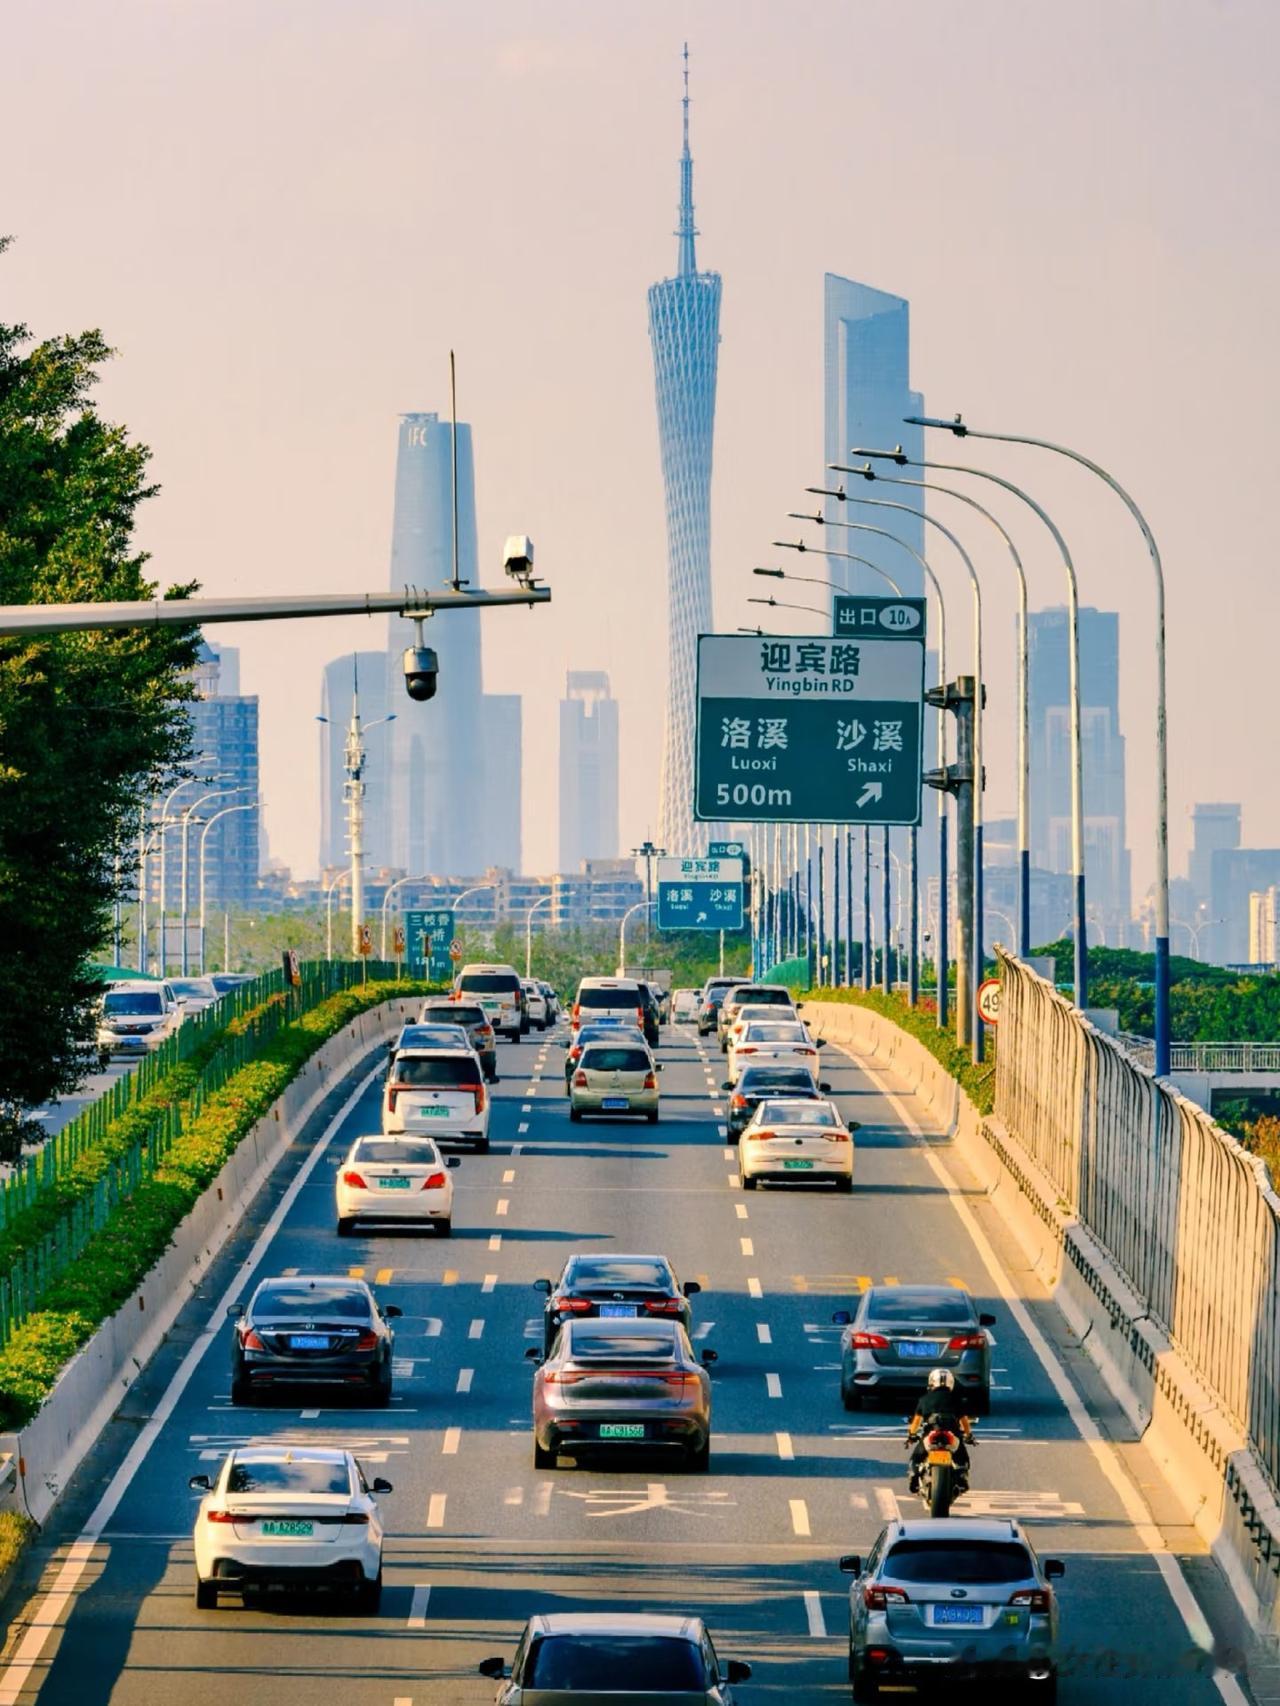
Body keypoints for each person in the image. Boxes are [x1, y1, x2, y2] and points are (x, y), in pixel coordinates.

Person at [906, 1368, 974, 1493]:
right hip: (952, 1435)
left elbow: (916, 1422)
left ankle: (914, 1478)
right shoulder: (956, 1399)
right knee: (963, 1459)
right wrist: (969, 1435)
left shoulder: (924, 1399)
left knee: (916, 1458)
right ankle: (961, 1478)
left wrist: (911, 1435)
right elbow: (964, 1421)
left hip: (931, 1434)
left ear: (932, 1382)